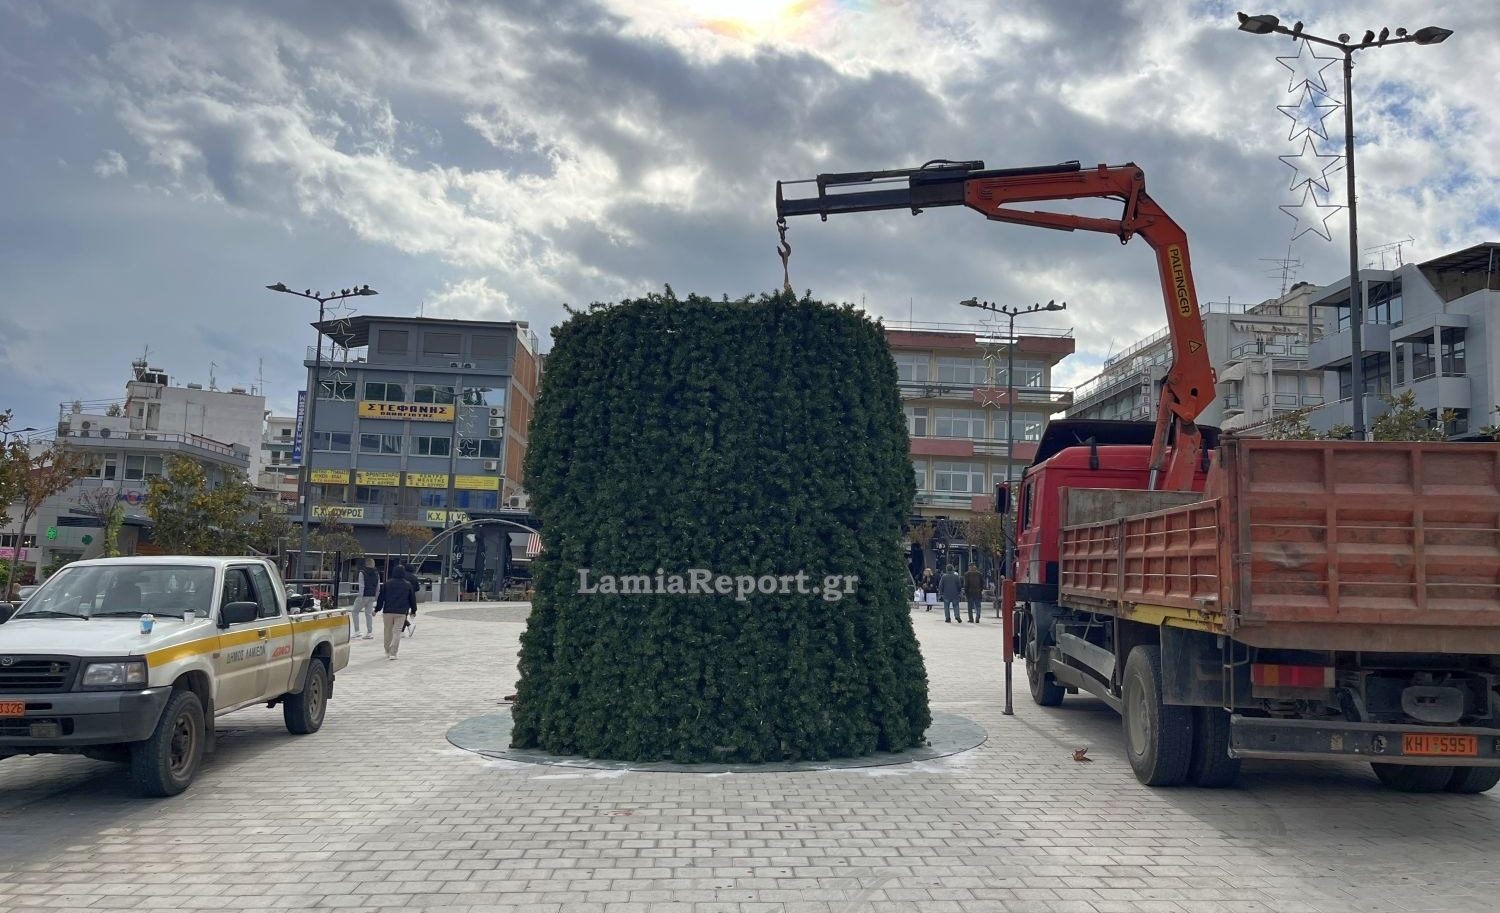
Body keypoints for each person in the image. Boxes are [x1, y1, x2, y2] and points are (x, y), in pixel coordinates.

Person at [376, 564, 418, 659]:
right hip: (401, 612)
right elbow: (412, 599)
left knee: (387, 631)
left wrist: (377, 609)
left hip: (388, 611)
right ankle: (393, 653)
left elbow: (381, 598)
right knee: (397, 632)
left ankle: (387, 650)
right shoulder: (408, 585)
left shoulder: (387, 583)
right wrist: (413, 610)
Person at [352, 559, 380, 640]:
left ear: (366, 564)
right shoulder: (376, 573)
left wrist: (360, 597)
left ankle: (357, 631)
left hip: (364, 595)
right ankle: (369, 632)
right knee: (368, 614)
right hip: (372, 596)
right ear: (373, 564)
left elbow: (361, 586)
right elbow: (378, 587)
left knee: (355, 611)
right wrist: (376, 597)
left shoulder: (362, 573)